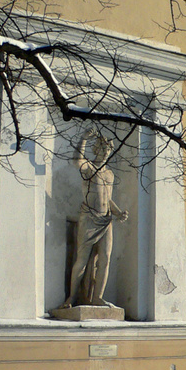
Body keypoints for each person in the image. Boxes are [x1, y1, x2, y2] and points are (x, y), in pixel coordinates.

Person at [58, 129, 128, 310]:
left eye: (108, 149)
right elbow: (76, 161)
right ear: (96, 149)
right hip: (89, 218)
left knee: (105, 259)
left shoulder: (109, 174)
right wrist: (84, 139)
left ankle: (98, 297)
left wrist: (118, 212)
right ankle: (71, 298)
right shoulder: (89, 167)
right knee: (81, 259)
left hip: (106, 220)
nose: (106, 152)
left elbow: (107, 197)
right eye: (103, 148)